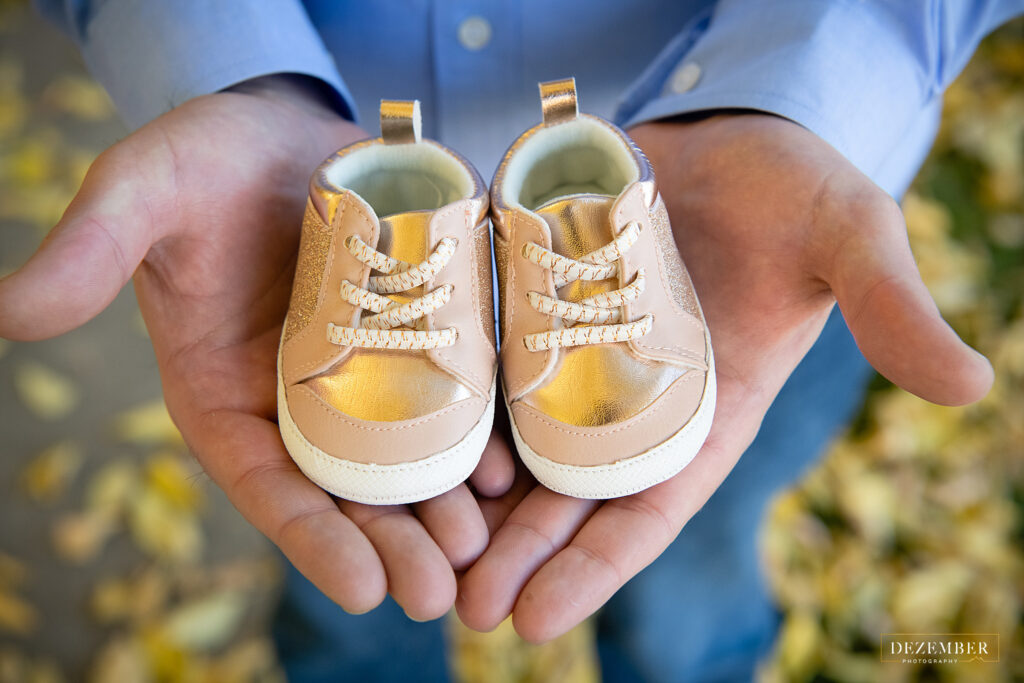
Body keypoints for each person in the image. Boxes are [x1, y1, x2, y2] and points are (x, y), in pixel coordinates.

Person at [4, 1, 1018, 680]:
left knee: (692, 575)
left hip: (738, 221)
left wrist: (799, 104)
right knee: (349, 591)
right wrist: (231, 77)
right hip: (308, 135)